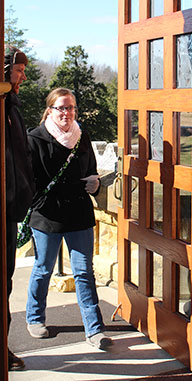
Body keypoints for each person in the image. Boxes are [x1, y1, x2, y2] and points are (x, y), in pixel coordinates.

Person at [26, 87, 113, 350]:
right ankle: (34, 318)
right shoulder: (35, 138)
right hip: (47, 217)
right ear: (50, 110)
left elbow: (92, 172)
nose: (67, 113)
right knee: (43, 269)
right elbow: (32, 182)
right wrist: (75, 185)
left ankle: (95, 330)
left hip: (78, 214)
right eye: (62, 108)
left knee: (84, 273)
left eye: (72, 107)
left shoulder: (82, 137)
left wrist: (95, 184)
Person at [4, 45, 35, 370]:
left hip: (9, 211)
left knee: (6, 281)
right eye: (19, 71)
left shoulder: (12, 105)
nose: (23, 77)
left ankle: (4, 348)